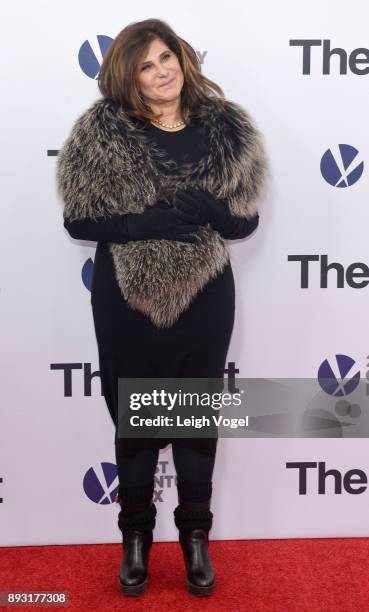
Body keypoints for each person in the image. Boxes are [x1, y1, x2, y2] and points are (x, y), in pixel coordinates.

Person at [56, 18, 267, 597]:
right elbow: (77, 218)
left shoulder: (224, 128)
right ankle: (136, 541)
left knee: (195, 420)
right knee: (138, 422)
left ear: (182, 58)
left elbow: (245, 222)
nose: (160, 71)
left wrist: (216, 214)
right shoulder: (101, 132)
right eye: (146, 65)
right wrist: (135, 225)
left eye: (166, 57)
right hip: (127, 297)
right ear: (130, 76)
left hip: (205, 295)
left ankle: (195, 539)